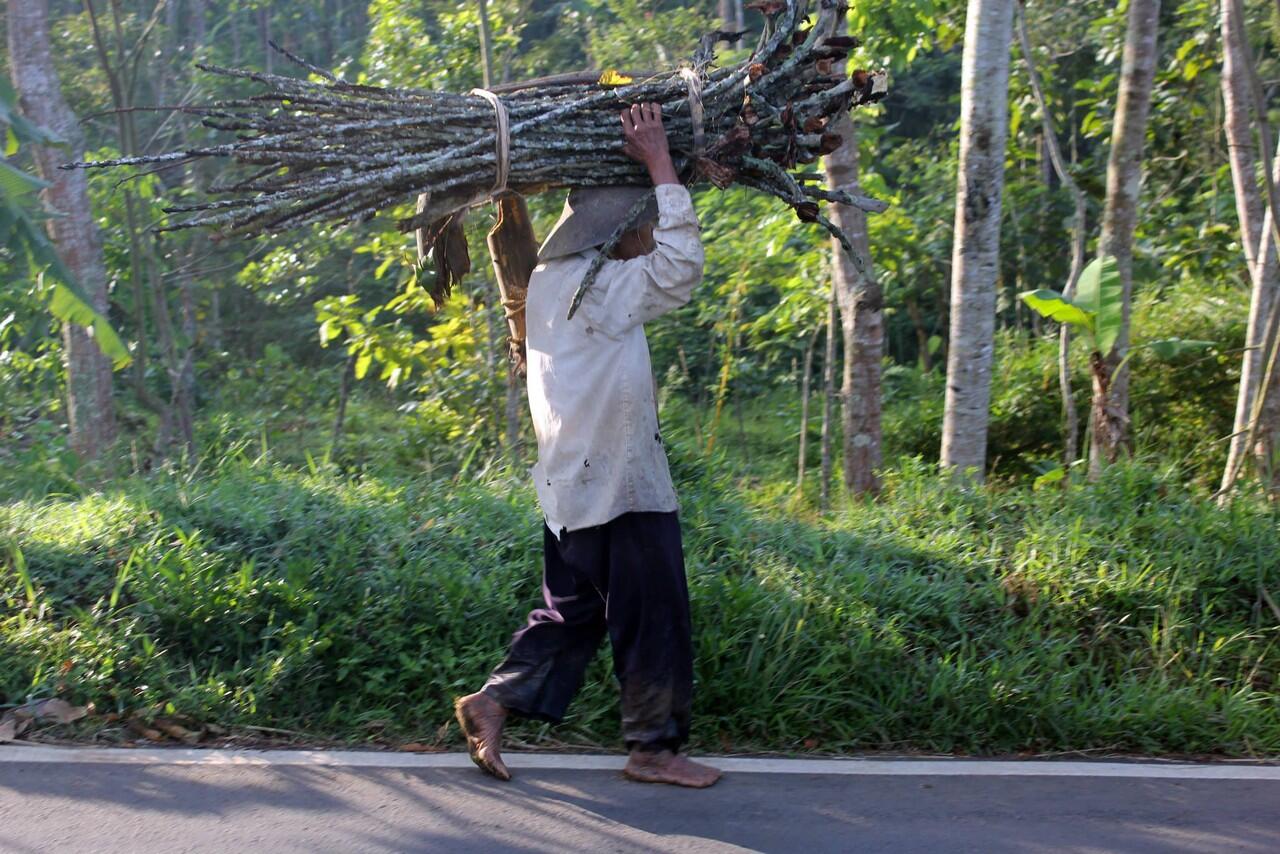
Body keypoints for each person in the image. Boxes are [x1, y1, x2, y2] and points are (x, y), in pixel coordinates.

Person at [453, 102, 721, 789]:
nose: (651, 237)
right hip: (619, 486)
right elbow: (682, 268)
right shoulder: (595, 288)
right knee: (652, 613)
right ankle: (653, 750)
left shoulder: (551, 282)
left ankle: (495, 699)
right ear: (620, 233)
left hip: (571, 486)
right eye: (644, 226)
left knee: (575, 610)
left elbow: (663, 260)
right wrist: (661, 163)